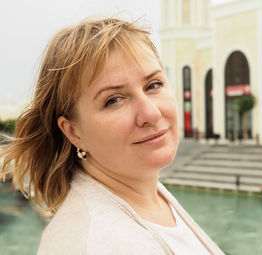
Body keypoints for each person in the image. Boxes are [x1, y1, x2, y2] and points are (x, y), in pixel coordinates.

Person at [0, 17, 224, 255]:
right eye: (113, 100)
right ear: (73, 131)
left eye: (153, 85)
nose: (151, 112)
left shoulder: (147, 197)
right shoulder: (101, 243)